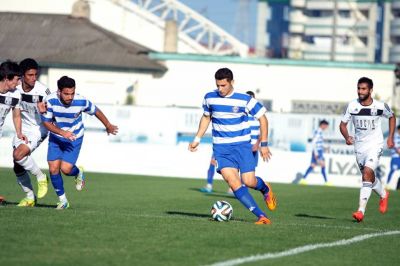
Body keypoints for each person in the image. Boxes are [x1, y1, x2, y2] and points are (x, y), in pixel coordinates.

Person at [189, 68, 276, 225]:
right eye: (218, 85)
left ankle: (265, 189)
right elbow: (206, 117)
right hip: (222, 149)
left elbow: (263, 119)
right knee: (233, 182)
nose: (220, 89)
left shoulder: (244, 99)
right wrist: (197, 138)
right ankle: (261, 216)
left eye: (223, 85)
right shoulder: (210, 98)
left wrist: (264, 144)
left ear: (232, 82)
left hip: (242, 147)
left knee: (248, 181)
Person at [40, 76, 118, 209]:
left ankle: (77, 173)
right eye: (66, 94)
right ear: (59, 91)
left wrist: (108, 125)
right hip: (56, 137)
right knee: (53, 168)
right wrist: (62, 133)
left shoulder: (80, 100)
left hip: (75, 137)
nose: (70, 97)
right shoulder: (50, 100)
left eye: (72, 93)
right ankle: (63, 201)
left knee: (65, 169)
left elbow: (96, 111)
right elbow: (46, 123)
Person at [339, 77, 395, 223]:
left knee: (367, 174)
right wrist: (347, 137)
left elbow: (392, 117)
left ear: (370, 90)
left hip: (375, 145)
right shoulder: (352, 106)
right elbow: (342, 125)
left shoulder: (380, 106)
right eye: (358, 88)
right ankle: (383, 194)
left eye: (363, 89)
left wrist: (390, 137)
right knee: (368, 177)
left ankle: (360, 211)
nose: (360, 91)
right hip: (359, 147)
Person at [13, 58, 51, 207]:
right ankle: (30, 197)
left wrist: (45, 112)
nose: (34, 78)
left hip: (38, 128)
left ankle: (41, 177)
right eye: (30, 75)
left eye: (36, 75)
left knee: (19, 155)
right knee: (17, 165)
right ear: (22, 75)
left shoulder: (43, 90)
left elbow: (52, 111)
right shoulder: (15, 88)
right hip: (22, 128)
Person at [0, 60, 23, 201]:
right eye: (17, 79)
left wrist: (19, 133)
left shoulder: (15, 95)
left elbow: (16, 115)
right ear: (6, 78)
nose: (19, 83)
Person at [299, 120, 330, 185]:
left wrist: (324, 148)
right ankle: (326, 182)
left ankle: (303, 179)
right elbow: (313, 142)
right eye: (326, 126)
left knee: (313, 165)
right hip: (318, 151)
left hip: (318, 150)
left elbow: (317, 142)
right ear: (322, 125)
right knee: (322, 165)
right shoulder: (319, 132)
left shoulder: (318, 131)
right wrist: (316, 153)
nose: (326, 128)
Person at [386, 125, 400, 189]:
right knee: (392, 170)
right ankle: (388, 184)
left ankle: (398, 185)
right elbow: (395, 147)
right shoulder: (395, 137)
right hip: (395, 157)